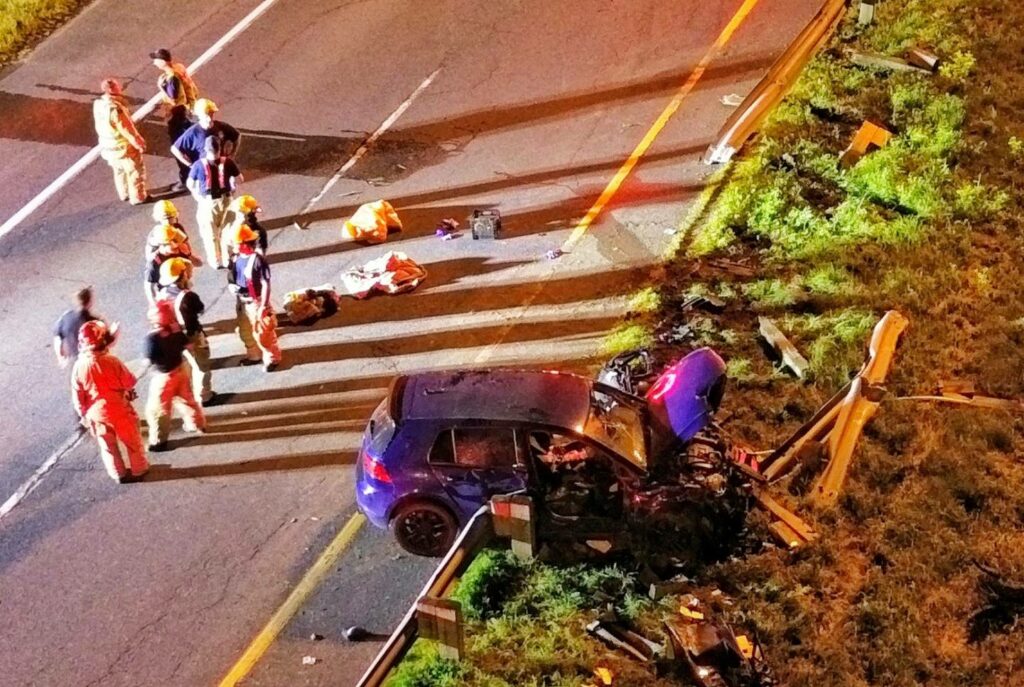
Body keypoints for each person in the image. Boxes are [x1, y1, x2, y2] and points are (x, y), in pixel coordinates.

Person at [72, 320, 148, 483]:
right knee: (132, 443)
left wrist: (83, 414)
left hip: (96, 414)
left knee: (108, 448)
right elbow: (129, 382)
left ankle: (118, 474)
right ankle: (139, 470)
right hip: (119, 409)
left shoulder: (79, 366)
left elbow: (78, 395)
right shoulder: (112, 361)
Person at [143, 300, 206, 451]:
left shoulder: (152, 338)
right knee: (187, 400)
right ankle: (196, 424)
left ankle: (159, 441)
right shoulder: (175, 330)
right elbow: (188, 346)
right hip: (180, 371)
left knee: (158, 410)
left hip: (163, 377)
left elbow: (148, 360)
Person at [158, 257, 216, 406]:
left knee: (185, 366)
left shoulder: (162, 294)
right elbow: (200, 309)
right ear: (182, 275)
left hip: (174, 339)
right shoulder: (188, 297)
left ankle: (188, 394)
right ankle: (205, 396)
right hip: (191, 336)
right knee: (201, 366)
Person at [228, 223, 281, 371]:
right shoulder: (236, 258)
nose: (233, 245)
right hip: (242, 300)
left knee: (263, 334)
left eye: (236, 243)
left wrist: (263, 306)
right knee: (245, 331)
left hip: (255, 301)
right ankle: (254, 355)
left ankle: (272, 358)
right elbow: (233, 275)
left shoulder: (258, 260)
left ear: (244, 243)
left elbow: (265, 284)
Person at [188, 136, 243, 268]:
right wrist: (232, 186)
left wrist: (197, 196)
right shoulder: (228, 162)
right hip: (226, 200)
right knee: (228, 231)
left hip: (208, 202)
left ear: (206, 150)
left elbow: (190, 184)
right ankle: (227, 258)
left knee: (210, 234)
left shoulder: (198, 166)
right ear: (220, 149)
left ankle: (215, 261)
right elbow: (240, 179)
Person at [92, 78, 148, 205]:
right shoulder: (115, 109)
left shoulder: (98, 104)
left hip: (108, 146)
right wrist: (138, 143)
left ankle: (124, 193)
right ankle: (138, 197)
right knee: (134, 171)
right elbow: (127, 129)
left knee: (118, 170)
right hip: (122, 147)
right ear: (114, 89)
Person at [150, 48, 199, 190]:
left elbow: (173, 97)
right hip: (188, 109)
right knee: (190, 144)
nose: (154, 63)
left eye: (155, 60)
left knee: (179, 147)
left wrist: (162, 88)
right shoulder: (179, 68)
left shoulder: (171, 78)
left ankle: (187, 178)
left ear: (162, 61)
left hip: (178, 113)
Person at [170, 97, 241, 174]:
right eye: (206, 114)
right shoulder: (193, 133)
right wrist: (190, 165)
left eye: (211, 113)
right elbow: (175, 149)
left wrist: (232, 155)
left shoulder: (220, 127)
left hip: (221, 170)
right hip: (204, 173)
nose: (209, 117)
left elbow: (236, 136)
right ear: (199, 115)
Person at [53, 287, 118, 369]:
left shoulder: (67, 316)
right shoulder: (95, 322)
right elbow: (109, 342)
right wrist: (115, 330)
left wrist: (60, 354)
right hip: (92, 361)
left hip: (75, 359)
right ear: (90, 302)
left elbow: (58, 335)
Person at [145, 224, 196, 304]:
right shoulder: (154, 261)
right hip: (168, 294)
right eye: (174, 242)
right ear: (163, 245)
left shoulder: (180, 248)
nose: (178, 244)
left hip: (182, 286)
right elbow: (149, 286)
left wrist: (189, 254)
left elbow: (195, 264)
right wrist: (154, 304)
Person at [146, 200, 202, 264]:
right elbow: (150, 258)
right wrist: (162, 251)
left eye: (170, 218)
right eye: (166, 219)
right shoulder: (155, 236)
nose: (168, 223)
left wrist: (189, 254)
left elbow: (186, 246)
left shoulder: (177, 228)